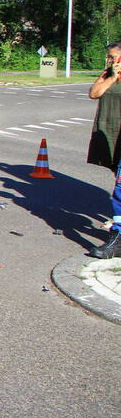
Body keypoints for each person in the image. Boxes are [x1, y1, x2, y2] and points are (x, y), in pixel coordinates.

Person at [87, 41, 121, 258]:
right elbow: (94, 93)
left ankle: (117, 239)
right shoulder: (107, 73)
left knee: (120, 190)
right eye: (108, 56)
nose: (108, 60)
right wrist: (112, 77)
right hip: (111, 135)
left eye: (112, 56)